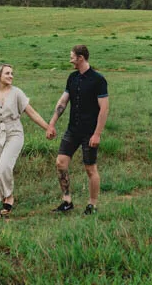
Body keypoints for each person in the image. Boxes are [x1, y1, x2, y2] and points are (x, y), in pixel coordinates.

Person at [0, 63, 55, 218]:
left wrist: (48, 127)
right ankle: (5, 199)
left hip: (14, 132)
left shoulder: (17, 93)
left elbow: (32, 113)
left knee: (4, 167)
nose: (11, 76)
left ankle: (10, 197)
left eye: (12, 73)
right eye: (7, 73)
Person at [46, 45, 109, 215]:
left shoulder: (98, 80)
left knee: (90, 168)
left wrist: (97, 134)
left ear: (81, 58)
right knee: (60, 163)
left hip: (90, 132)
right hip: (72, 130)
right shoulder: (72, 78)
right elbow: (63, 102)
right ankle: (67, 201)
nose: (70, 60)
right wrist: (51, 124)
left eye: (72, 57)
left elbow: (104, 109)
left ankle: (92, 205)